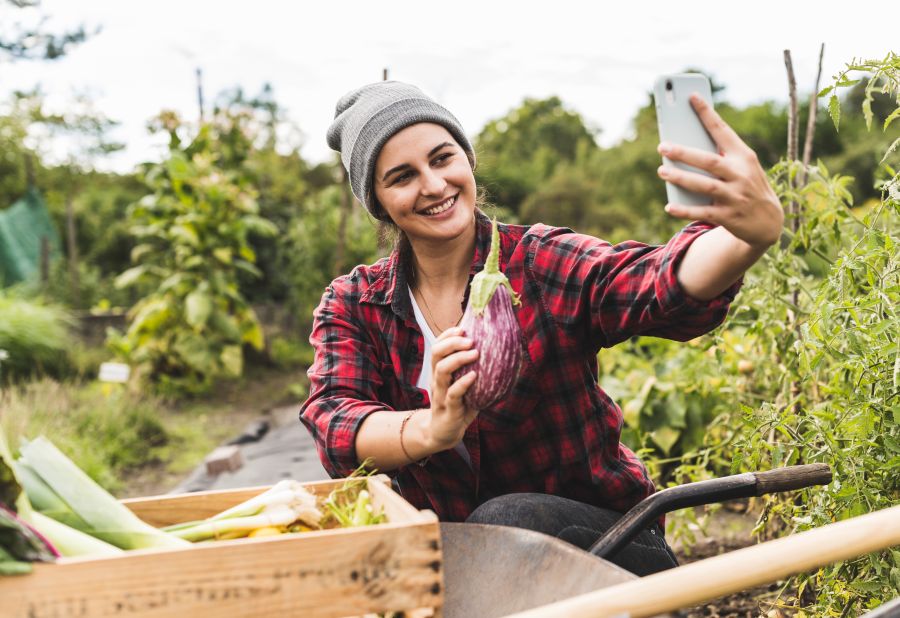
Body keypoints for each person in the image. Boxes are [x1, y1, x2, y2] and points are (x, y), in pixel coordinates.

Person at [299, 81, 783, 576]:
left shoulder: (537, 262)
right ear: (379, 202)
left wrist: (745, 238)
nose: (433, 185)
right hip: (472, 579)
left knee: (506, 520)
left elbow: (652, 283)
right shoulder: (357, 303)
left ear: (466, 160)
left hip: (609, 548)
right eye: (402, 177)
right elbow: (335, 421)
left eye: (442, 158)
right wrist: (432, 429)